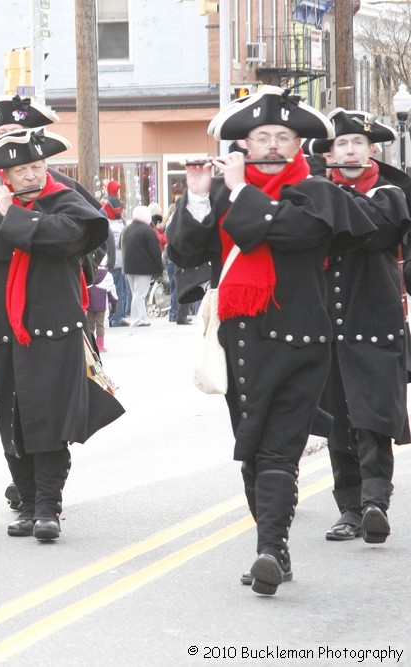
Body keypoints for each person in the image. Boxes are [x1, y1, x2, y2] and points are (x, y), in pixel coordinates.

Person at [166, 86, 376, 596]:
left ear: (298, 142)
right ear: (246, 143)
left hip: (300, 339)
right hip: (240, 342)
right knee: (253, 448)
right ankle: (271, 546)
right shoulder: (222, 191)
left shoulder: (316, 190)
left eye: (284, 137)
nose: (274, 145)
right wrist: (197, 195)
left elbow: (285, 233)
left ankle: (271, 549)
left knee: (280, 450)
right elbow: (183, 250)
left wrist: (238, 193)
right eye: (263, 137)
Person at [0, 129, 124, 541]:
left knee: (49, 415)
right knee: (11, 415)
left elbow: (66, 237)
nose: (30, 176)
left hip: (54, 325)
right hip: (0, 328)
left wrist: (13, 216)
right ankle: (26, 502)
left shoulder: (65, 201)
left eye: (37, 167)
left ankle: (47, 506)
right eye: (21, 169)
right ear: (6, 174)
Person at [308, 108, 411, 544]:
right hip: (326, 325)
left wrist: (321, 193)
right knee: (338, 422)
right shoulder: (315, 195)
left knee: (374, 417)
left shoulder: (390, 194)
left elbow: (373, 229)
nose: (349, 151)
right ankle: (348, 509)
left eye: (357, 144)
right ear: (330, 152)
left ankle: (375, 502)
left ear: (372, 151)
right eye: (340, 144)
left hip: (375, 320)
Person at [121, 205, 164, 327]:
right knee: (140, 295)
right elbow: (155, 251)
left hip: (128, 267)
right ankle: (137, 320)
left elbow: (120, 244)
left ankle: (141, 317)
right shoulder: (147, 231)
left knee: (136, 293)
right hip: (143, 268)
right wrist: (159, 269)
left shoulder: (127, 229)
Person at [103, 180, 131, 327]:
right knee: (117, 290)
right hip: (117, 260)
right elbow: (117, 241)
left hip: (113, 260)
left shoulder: (106, 204)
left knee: (114, 290)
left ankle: (115, 316)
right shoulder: (115, 220)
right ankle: (116, 317)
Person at [87, 256, 117, 352]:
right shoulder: (107, 275)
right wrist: (114, 303)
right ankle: (100, 346)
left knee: (90, 325)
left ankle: (91, 346)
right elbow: (112, 291)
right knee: (100, 325)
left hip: (88, 305)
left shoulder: (86, 272)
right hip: (101, 305)